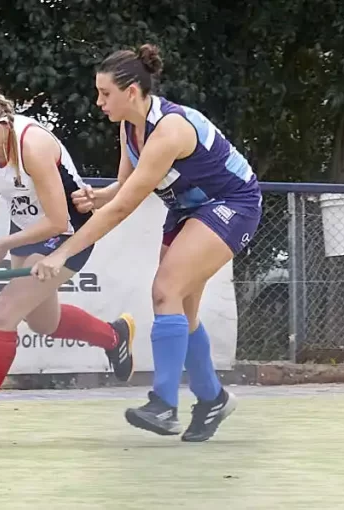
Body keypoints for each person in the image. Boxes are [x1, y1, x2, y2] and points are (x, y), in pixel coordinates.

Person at [32, 44, 262, 441]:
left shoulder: (169, 130)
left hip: (231, 204)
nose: (99, 102)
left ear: (132, 91)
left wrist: (63, 251)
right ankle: (213, 398)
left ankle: (164, 405)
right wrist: (99, 196)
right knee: (183, 309)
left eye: (105, 93)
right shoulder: (129, 127)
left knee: (165, 291)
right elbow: (125, 186)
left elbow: (124, 208)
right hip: (187, 209)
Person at [0, 82, 136, 444]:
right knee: (43, 321)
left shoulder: (31, 146)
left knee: (2, 315)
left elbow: (57, 220)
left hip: (68, 233)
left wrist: (2, 244)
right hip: (27, 232)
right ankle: (115, 336)